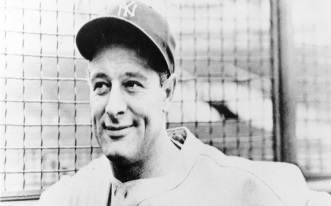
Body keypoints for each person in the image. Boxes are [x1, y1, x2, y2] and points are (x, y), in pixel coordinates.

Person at [38, 0, 331, 205]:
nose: (113, 107)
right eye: (102, 85)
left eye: (132, 84)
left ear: (167, 92)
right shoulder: (72, 195)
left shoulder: (242, 188)